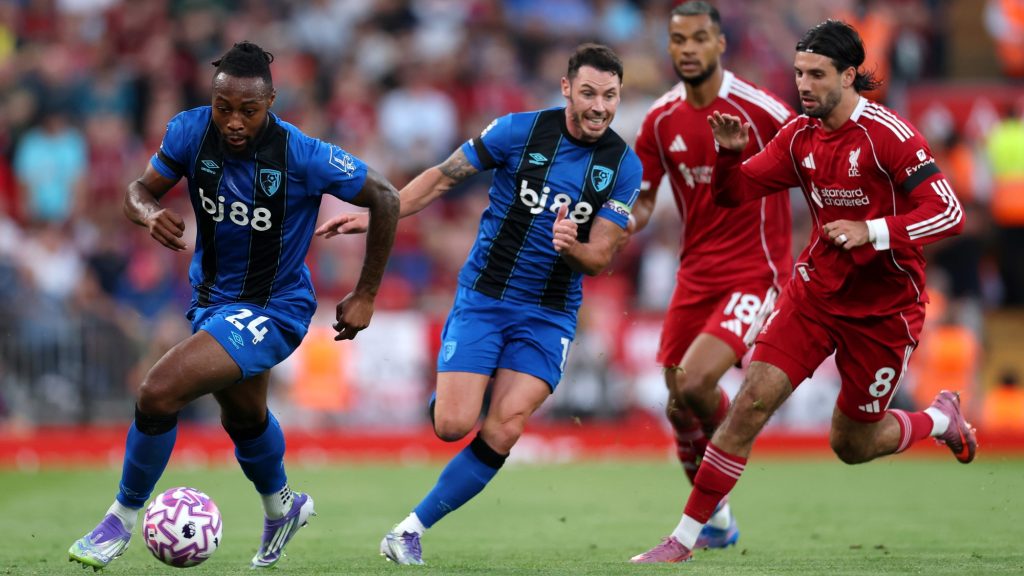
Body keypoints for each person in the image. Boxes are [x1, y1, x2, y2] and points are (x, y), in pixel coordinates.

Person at [631, 20, 975, 564]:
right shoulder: (798, 136)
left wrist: (872, 230)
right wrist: (729, 155)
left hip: (884, 310)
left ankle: (938, 419)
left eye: (817, 75)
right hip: (814, 295)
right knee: (750, 403)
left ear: (849, 75)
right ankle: (685, 537)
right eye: (798, 73)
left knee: (852, 444)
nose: (804, 85)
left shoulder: (888, 134)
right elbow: (734, 194)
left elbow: (949, 212)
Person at [68, 41, 400, 570]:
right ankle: (283, 508)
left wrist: (366, 293)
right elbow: (137, 190)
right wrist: (148, 213)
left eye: (248, 110)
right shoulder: (189, 131)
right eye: (223, 107)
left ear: (270, 102)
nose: (234, 122)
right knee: (244, 418)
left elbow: (385, 196)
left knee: (158, 391)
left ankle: (119, 520)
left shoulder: (302, 154)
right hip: (211, 301)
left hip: (275, 307)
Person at [316, 43, 642, 566]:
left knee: (505, 427)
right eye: (588, 93)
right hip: (486, 299)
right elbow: (443, 176)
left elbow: (601, 254)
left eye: (610, 96)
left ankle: (408, 531)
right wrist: (381, 216)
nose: (599, 106)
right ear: (566, 89)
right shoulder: (517, 131)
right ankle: (453, 392)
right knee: (451, 425)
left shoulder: (623, 165)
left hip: (551, 314)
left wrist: (572, 247)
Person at [630, 1, 794, 550]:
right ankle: (719, 520)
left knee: (697, 382)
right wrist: (617, 225)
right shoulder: (660, 119)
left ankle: (736, 437)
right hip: (694, 273)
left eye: (699, 38)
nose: (688, 49)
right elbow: (643, 199)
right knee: (678, 402)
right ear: (669, 46)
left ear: (720, 43)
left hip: (755, 271)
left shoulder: (761, 109)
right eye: (679, 40)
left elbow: (812, 159)